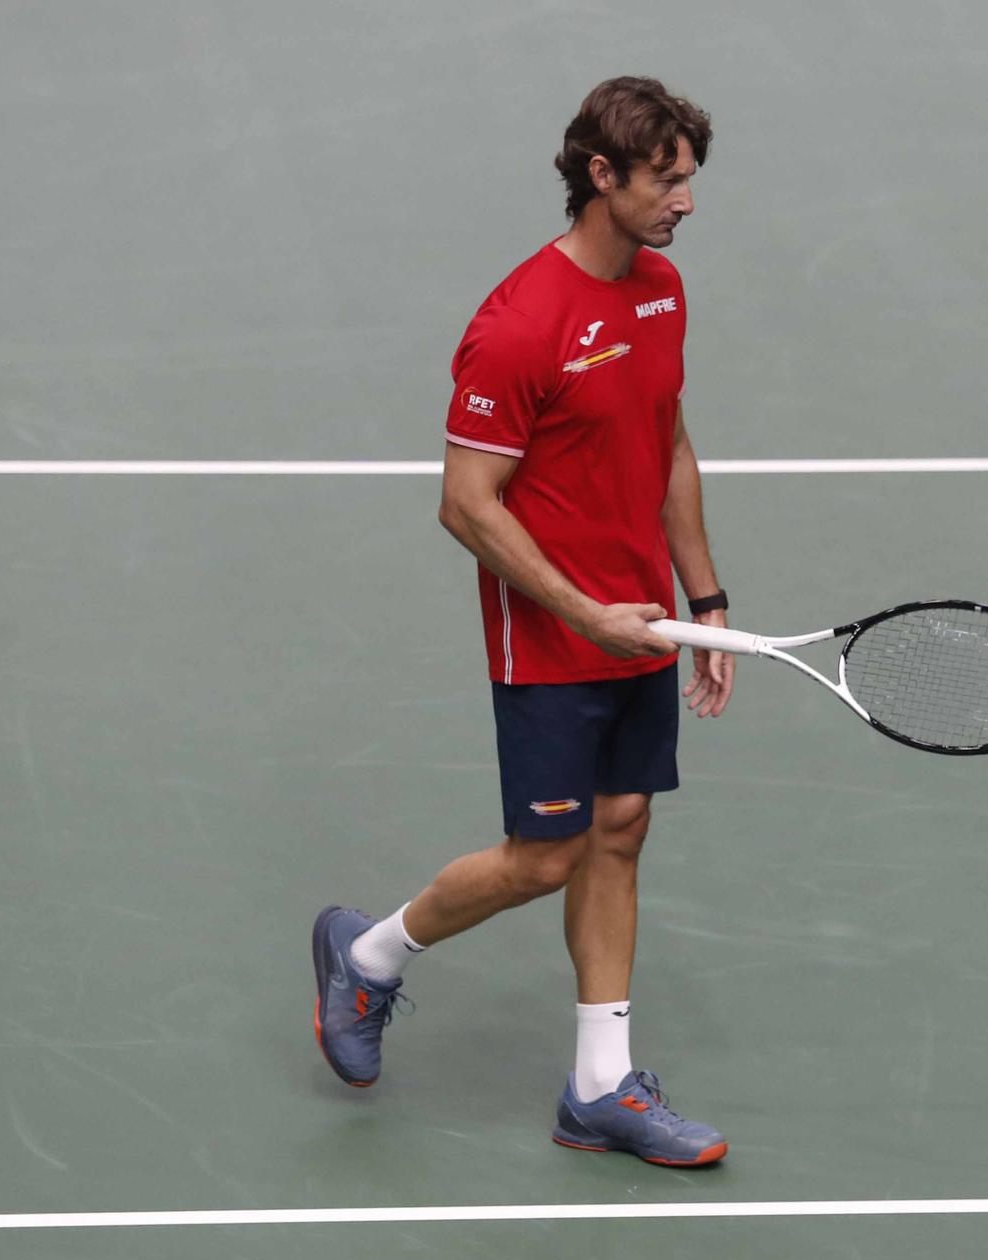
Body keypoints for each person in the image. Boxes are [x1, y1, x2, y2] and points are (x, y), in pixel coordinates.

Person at [311, 76, 733, 1167]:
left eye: (690, 179)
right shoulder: (517, 326)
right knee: (545, 855)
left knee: (623, 824)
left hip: (641, 619)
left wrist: (706, 599)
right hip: (552, 632)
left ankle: (599, 1087)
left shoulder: (662, 293)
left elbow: (669, 444)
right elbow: (465, 503)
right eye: (666, 179)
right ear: (602, 175)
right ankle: (367, 958)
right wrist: (587, 610)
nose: (686, 201)